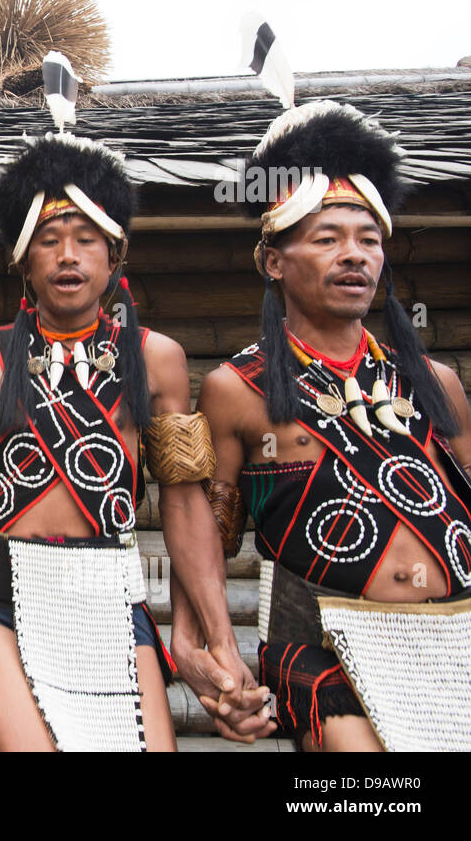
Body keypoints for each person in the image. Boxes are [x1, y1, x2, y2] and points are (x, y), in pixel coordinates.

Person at [0, 124, 250, 751]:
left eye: (85, 239)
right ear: (23, 258)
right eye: (49, 240)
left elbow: (184, 504)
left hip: (110, 591)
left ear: (114, 255)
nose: (68, 255)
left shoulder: (159, 360)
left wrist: (220, 639)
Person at [173, 100, 471, 751]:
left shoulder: (436, 383)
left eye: (368, 239)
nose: (354, 254)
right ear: (274, 260)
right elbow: (206, 532)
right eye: (327, 237)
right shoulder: (237, 391)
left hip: (455, 640)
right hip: (321, 645)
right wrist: (201, 644)